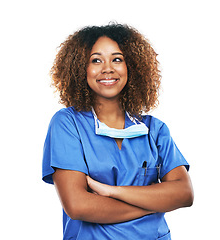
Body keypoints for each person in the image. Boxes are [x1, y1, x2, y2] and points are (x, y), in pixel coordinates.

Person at [42, 23, 194, 240]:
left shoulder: (154, 129)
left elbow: (183, 194)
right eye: (96, 60)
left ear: (131, 66)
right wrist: (153, 204)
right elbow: (78, 205)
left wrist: (112, 191)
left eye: (117, 59)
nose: (107, 68)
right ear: (80, 68)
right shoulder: (67, 124)